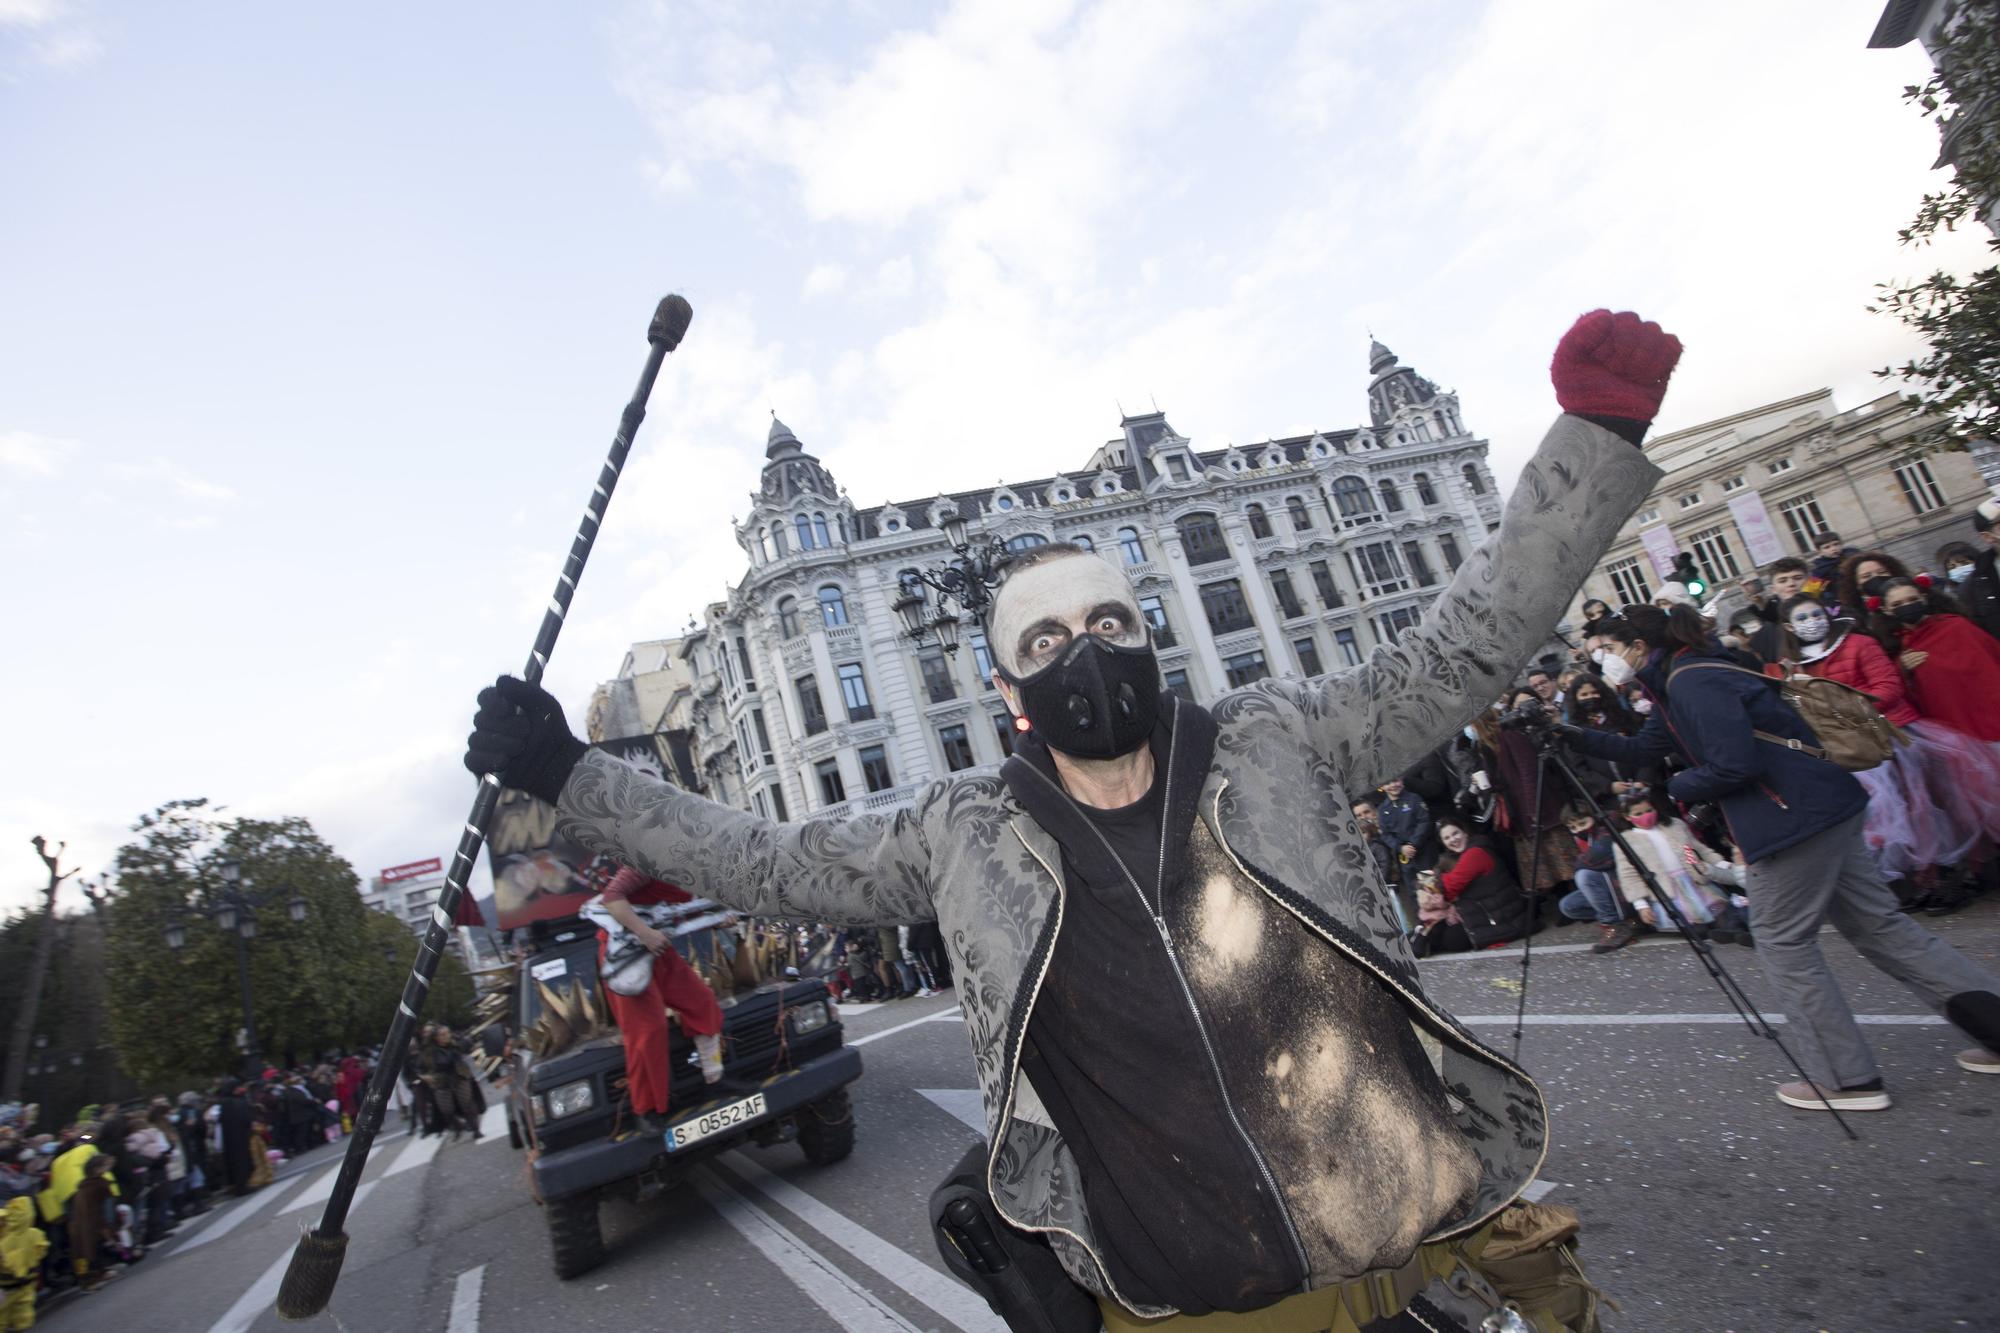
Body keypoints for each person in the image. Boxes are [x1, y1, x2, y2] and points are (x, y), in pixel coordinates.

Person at [1564, 602, 2000, 1112]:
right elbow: (1646, 745)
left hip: (1790, 819)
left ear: (1639, 647)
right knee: (1882, 928)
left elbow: (1734, 764)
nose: (1604, 664)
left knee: (1782, 940)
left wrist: (1680, 785)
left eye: (1608, 652)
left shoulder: (1690, 682)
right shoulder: (1681, 676)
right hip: (1823, 805)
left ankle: (1846, 1078)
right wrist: (1568, 735)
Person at [1784, 590, 1991, 899]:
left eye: (1816, 614)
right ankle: (1917, 882)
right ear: (1788, 627)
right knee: (1883, 820)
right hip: (1850, 749)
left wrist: (1847, 711)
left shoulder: (1858, 643)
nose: (1811, 622)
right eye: (1801, 618)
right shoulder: (1790, 666)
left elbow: (1888, 686)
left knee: (1920, 807)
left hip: (1892, 734)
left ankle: (1949, 876)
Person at [593, 865, 727, 1129]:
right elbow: (612, 899)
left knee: (701, 1002)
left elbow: (688, 910)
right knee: (648, 1030)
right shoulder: (648, 857)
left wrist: (722, 919)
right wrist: (645, 933)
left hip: (655, 947)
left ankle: (715, 1081)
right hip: (624, 952)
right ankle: (646, 1110)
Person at [1425, 818, 1532, 955]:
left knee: (1449, 940)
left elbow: (1449, 889)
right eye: (1447, 838)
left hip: (1503, 919)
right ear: (1444, 843)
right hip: (1489, 913)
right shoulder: (1456, 855)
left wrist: (1438, 878)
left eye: (1455, 833)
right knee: (1436, 931)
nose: (1453, 839)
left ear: (1465, 833)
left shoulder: (1475, 853)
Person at [1556, 804, 1636, 954]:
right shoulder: (1584, 839)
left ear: (1593, 817)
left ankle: (1616, 925)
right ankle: (1630, 921)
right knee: (1569, 906)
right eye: (1573, 827)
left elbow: (1599, 854)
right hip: (1612, 888)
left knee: (1585, 875)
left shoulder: (1606, 828)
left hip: (1626, 886)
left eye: (1582, 823)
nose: (1579, 830)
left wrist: (1579, 864)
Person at [1373, 778, 1435, 932]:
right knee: (1413, 891)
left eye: (1396, 780)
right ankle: (1423, 926)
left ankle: (1439, 922)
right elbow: (1386, 835)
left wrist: (1413, 844)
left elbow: (1424, 822)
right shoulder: (1383, 809)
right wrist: (1400, 848)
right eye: (1388, 782)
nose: (1393, 785)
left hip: (1423, 852)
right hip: (1404, 858)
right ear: (1382, 786)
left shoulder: (1414, 799)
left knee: (1430, 886)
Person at [414, 1027, 484, 1141]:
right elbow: (419, 1069)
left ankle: (476, 1130)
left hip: (460, 1077)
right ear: (436, 1038)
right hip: (441, 1082)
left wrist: (458, 1037)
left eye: (447, 1033)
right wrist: (426, 1077)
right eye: (442, 1034)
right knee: (446, 1110)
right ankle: (458, 1127)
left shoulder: (455, 1044)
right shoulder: (428, 1052)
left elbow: (468, 1044)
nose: (446, 1036)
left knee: (467, 1103)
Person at [1936, 537, 2000, 640]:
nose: (1959, 568)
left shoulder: (1992, 583)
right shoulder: (1950, 596)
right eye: (1952, 567)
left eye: (1964, 563)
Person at [0, 1194, 47, 1329]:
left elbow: (40, 1250)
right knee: (16, 1317)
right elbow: (41, 1250)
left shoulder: (8, 1240)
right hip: (12, 1285)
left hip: (18, 1284)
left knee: (19, 1317)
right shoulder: (33, 1234)